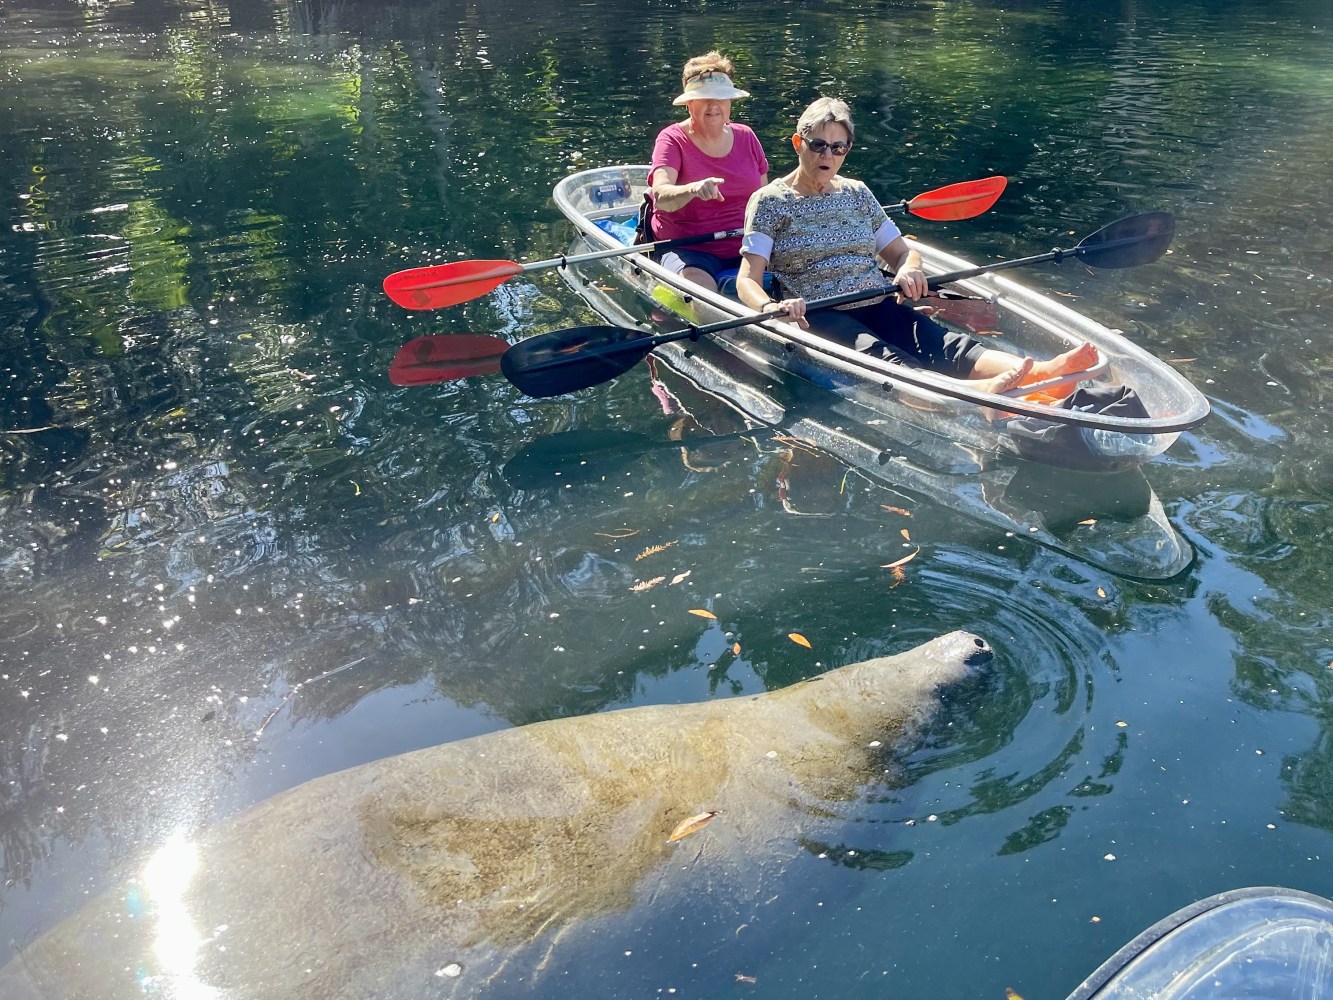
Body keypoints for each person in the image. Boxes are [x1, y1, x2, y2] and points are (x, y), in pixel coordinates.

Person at [735, 97, 1096, 396]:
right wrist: (771, 306)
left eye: (838, 147)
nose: (827, 155)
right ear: (798, 144)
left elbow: (902, 251)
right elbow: (747, 279)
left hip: (875, 300)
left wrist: (909, 269)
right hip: (820, 313)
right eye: (818, 145)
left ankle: (1040, 374)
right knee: (888, 360)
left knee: (947, 344)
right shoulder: (770, 201)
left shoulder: (858, 193)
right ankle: (977, 399)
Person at [648, 52, 770, 292]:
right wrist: (694, 189)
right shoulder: (672, 139)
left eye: (721, 98)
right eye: (704, 98)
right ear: (689, 104)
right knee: (700, 291)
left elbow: (765, 200)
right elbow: (661, 197)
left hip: (747, 246)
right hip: (691, 248)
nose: (714, 105)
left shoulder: (747, 136)